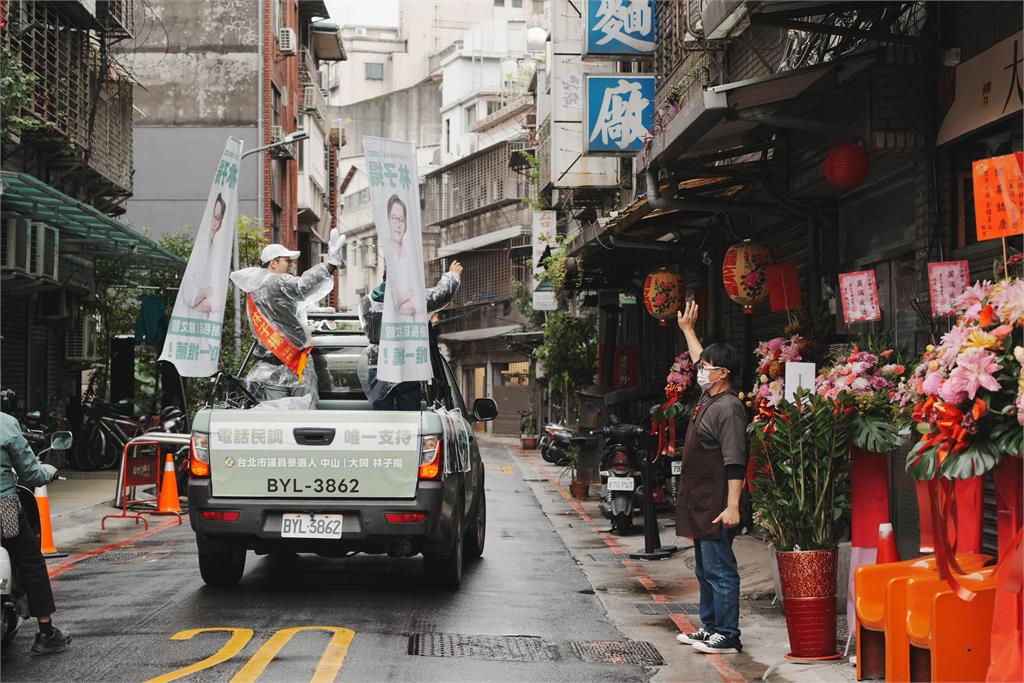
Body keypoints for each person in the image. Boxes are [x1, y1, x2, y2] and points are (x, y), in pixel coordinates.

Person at [673, 300, 748, 655]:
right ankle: (711, 627)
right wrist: (688, 330)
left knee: (720, 569)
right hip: (700, 498)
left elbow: (735, 461)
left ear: (725, 373)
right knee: (704, 568)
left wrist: (733, 506)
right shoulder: (709, 394)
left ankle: (728, 633)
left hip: (718, 502)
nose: (702, 370)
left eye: (709, 368)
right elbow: (701, 355)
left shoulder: (729, 407)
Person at [229, 229, 345, 408]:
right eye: (287, 260)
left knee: (276, 421)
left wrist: (308, 309)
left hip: (268, 366)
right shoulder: (275, 281)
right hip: (294, 361)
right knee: (303, 419)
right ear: (273, 263)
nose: (290, 265)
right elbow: (301, 286)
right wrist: (329, 265)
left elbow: (283, 311)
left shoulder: (254, 287)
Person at [0, 412, 70, 656]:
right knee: (32, 563)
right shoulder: (6, 424)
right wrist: (48, 472)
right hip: (4, 509)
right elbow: (30, 472)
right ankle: (46, 633)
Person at [358, 261, 462, 410]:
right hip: (406, 363)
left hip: (377, 365)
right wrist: (452, 275)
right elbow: (441, 294)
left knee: (381, 414)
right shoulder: (414, 299)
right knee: (408, 415)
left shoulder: (366, 302)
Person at [183, 193, 230, 317]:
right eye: (214, 216)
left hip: (206, 324)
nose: (215, 222)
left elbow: (217, 303)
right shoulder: (198, 248)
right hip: (190, 321)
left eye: (218, 218)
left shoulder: (218, 253)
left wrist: (198, 297)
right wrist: (204, 293)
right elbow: (187, 296)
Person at [383, 195, 420, 318]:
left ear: (406, 225)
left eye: (402, 219)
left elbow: (418, 302)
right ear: (388, 221)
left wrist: (400, 298)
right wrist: (407, 295)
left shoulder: (412, 256)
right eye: (394, 218)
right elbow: (386, 296)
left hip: (411, 328)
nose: (398, 224)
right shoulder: (387, 254)